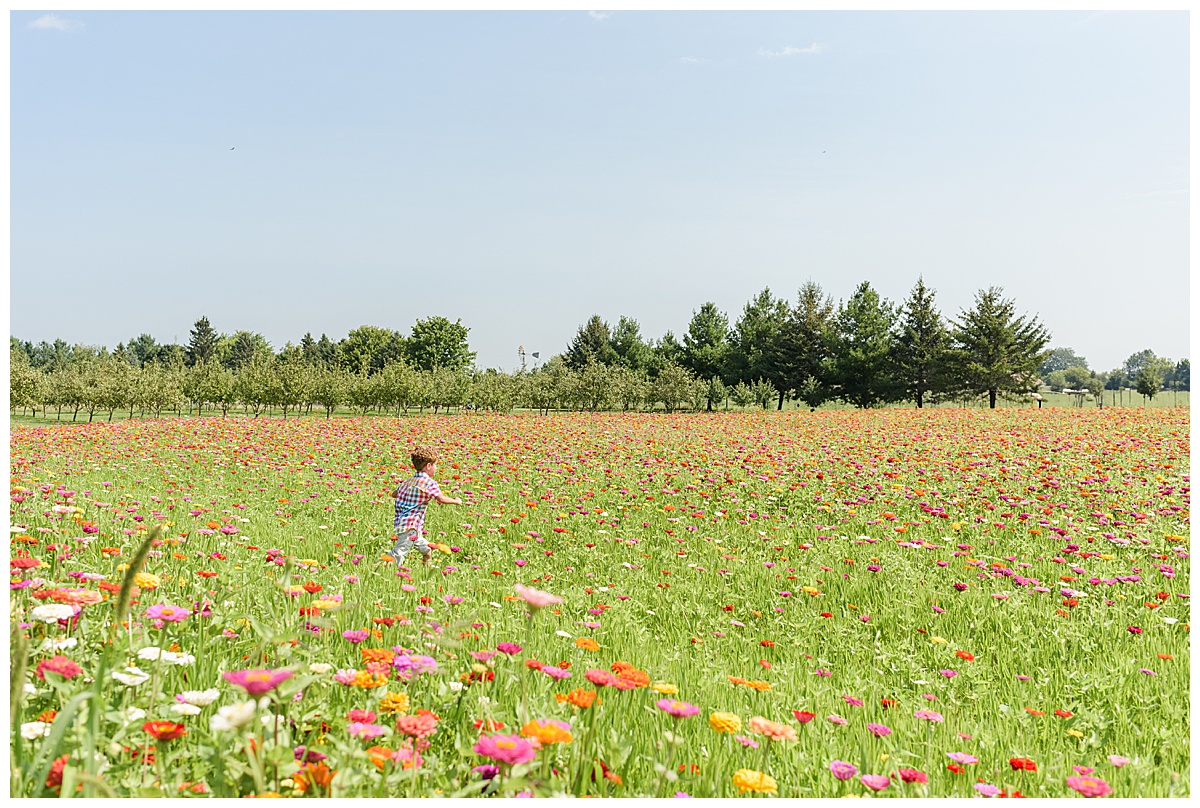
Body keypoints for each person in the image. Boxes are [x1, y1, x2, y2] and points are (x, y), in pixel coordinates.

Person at [386, 445, 462, 567]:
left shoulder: (408, 481)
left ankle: (426, 572)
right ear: (428, 466)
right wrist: (456, 501)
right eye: (435, 465)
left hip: (406, 525)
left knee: (427, 550)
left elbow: (394, 494)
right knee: (398, 554)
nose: (436, 468)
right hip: (410, 527)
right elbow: (441, 498)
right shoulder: (429, 482)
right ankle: (379, 568)